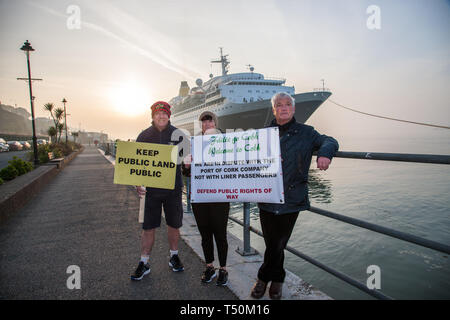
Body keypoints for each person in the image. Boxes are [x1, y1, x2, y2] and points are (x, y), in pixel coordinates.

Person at [250, 92, 339, 299]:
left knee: (278, 243)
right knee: (273, 243)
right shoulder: (262, 134)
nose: (283, 108)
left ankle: (264, 278)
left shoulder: (306, 133)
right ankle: (277, 279)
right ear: (274, 110)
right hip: (267, 197)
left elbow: (330, 140)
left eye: (287, 104)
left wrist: (325, 153)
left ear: (293, 108)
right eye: (279, 105)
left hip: (292, 198)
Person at [131, 101, 186, 281]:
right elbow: (136, 163)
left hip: (173, 190)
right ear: (153, 116)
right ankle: (144, 262)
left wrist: (188, 163)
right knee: (148, 227)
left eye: (164, 113)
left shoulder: (179, 135)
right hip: (150, 191)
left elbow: (186, 164)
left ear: (169, 115)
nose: (161, 116)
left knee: (174, 225)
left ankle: (174, 256)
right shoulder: (143, 135)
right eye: (158, 114)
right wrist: (137, 183)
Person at [182, 111, 231, 286]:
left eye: (210, 121)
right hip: (200, 197)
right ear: (201, 126)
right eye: (204, 122)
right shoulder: (193, 144)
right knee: (205, 234)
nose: (207, 124)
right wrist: (186, 165)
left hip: (219, 196)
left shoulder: (228, 142)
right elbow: (185, 172)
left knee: (220, 234)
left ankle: (223, 269)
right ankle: (210, 266)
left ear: (215, 123)